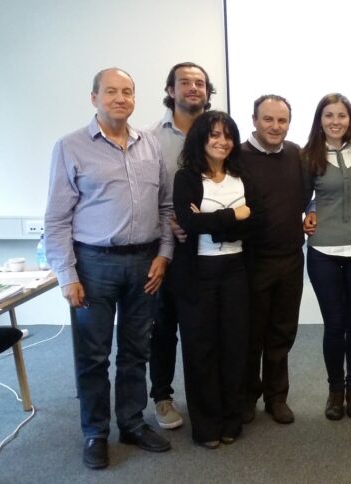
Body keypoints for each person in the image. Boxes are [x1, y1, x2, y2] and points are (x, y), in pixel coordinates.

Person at [45, 67, 173, 469]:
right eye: (112, 91)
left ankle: (132, 423)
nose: (121, 98)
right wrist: (67, 275)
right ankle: (95, 433)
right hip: (93, 265)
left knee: (136, 351)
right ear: (94, 98)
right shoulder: (70, 147)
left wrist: (164, 255)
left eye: (128, 92)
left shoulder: (150, 145)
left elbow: (166, 207)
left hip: (144, 264)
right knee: (93, 355)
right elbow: (56, 219)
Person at [170, 110, 252, 448]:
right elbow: (188, 225)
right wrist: (233, 215)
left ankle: (232, 420)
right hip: (198, 274)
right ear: (201, 139)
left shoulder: (242, 175)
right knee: (200, 348)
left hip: (236, 271)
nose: (222, 141)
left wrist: (211, 222)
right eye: (214, 135)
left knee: (234, 346)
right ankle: (206, 426)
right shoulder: (187, 178)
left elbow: (254, 223)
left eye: (228, 135)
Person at [148, 61, 216, 430]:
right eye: (185, 82)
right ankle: (162, 396)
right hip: (166, 245)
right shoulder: (149, 138)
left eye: (200, 83)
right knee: (163, 325)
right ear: (170, 90)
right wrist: (171, 223)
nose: (193, 88)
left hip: (211, 246)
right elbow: (146, 194)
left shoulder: (219, 132)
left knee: (204, 327)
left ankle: (207, 397)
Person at [302, 93, 351, 421]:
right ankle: (335, 391)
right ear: (320, 120)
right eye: (329, 115)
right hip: (323, 251)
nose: (335, 121)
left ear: (350, 119)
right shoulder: (308, 155)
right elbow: (304, 196)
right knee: (334, 325)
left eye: (341, 115)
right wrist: (311, 209)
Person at [240, 94, 310, 424]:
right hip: (252, 261)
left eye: (282, 120)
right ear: (254, 120)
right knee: (251, 333)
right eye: (268, 119)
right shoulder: (237, 156)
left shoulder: (296, 154)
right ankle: (247, 397)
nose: (275, 126)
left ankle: (276, 397)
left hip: (291, 258)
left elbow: (311, 193)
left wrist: (312, 211)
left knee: (282, 332)